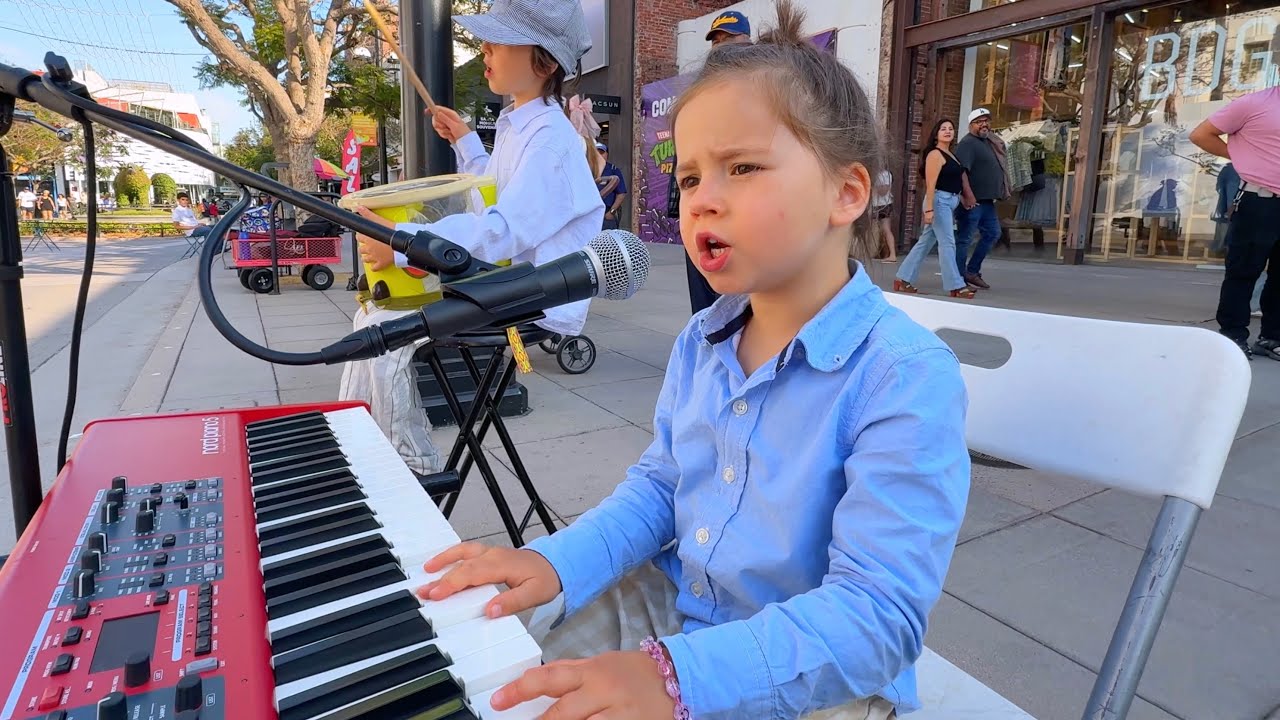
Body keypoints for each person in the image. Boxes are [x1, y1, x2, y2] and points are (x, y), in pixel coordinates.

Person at [414, 3, 970, 719]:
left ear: (846, 192)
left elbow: (876, 618)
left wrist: (678, 678)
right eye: (688, 179)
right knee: (497, 670)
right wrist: (558, 562)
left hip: (817, 672)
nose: (705, 199)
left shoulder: (902, 375)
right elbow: (659, 488)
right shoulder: (703, 340)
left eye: (742, 167)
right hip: (676, 604)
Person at [343, 0, 603, 473]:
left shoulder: (548, 140)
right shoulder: (522, 123)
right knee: (376, 321)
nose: (484, 48)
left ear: (542, 59)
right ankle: (367, 447)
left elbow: (501, 229)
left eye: (499, 40)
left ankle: (404, 464)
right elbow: (493, 197)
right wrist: (466, 141)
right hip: (508, 282)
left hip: (533, 296)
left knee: (383, 330)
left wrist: (403, 242)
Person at [1190, 77, 1280, 360]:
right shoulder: (1254, 103)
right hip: (1258, 200)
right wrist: (1241, 155)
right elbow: (1200, 134)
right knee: (1244, 271)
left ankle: (1272, 337)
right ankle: (1232, 336)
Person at [672, 10, 753, 315]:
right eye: (716, 40)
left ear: (747, 40)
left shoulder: (761, 92)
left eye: (729, 38)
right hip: (702, 214)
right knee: (705, 303)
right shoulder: (697, 97)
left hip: (739, 210)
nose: (722, 45)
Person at [893, 119, 975, 298]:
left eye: (951, 128)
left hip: (949, 201)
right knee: (947, 243)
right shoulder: (935, 154)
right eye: (943, 129)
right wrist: (929, 209)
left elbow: (955, 180)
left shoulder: (951, 155)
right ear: (936, 133)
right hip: (939, 201)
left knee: (925, 242)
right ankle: (956, 285)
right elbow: (930, 184)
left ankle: (902, 278)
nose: (947, 131)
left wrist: (963, 197)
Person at [952, 108, 1008, 289]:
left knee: (993, 233)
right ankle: (959, 278)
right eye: (979, 121)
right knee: (964, 239)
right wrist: (968, 195)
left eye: (986, 120)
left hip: (986, 201)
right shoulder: (968, 144)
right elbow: (961, 172)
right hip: (973, 201)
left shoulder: (989, 142)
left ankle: (972, 271)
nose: (984, 124)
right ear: (971, 125)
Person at [596, 143, 628, 230]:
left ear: (607, 154)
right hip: (589, 213)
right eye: (596, 152)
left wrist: (612, 212)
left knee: (607, 242)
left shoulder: (613, 170)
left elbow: (621, 194)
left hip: (606, 213)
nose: (599, 155)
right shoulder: (587, 169)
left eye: (602, 152)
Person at [872, 169, 896, 261]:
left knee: (886, 229)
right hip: (873, 204)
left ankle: (892, 255)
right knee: (871, 229)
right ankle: (873, 252)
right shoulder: (874, 172)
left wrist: (873, 187)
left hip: (883, 204)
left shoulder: (885, 174)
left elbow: (884, 192)